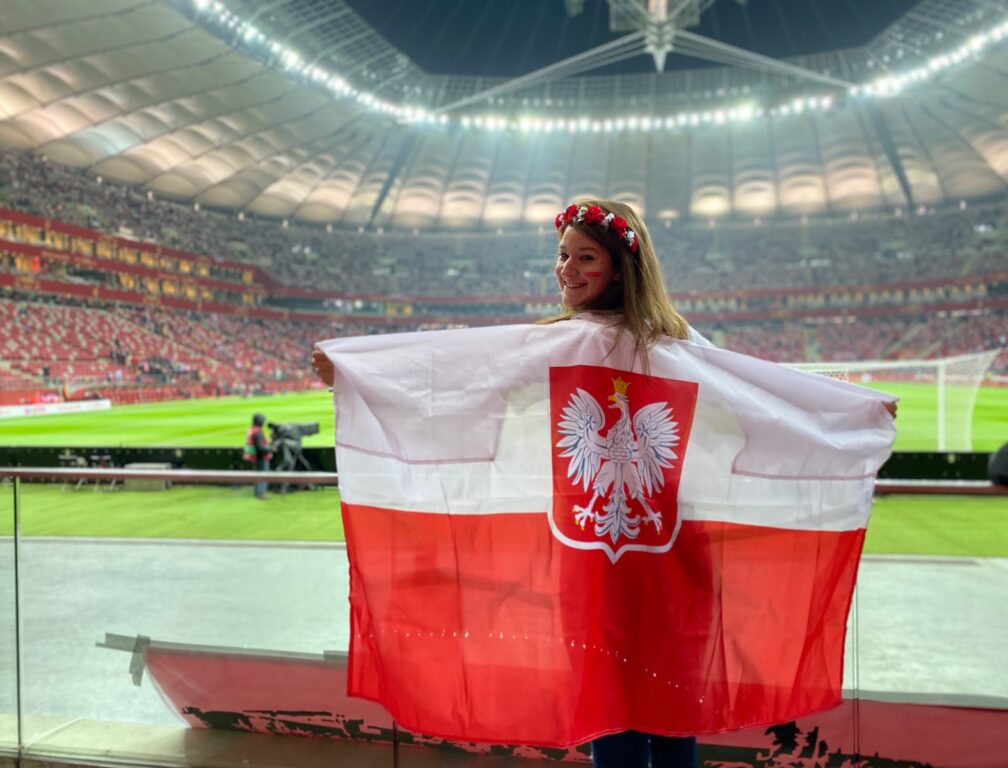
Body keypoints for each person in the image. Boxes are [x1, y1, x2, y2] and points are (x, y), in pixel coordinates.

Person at [311, 198, 897, 766]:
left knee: (672, 715)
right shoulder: (554, 343)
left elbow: (759, 402)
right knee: (609, 715)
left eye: (585, 257)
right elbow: (463, 379)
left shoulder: (681, 347)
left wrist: (854, 415)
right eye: (563, 256)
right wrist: (359, 371)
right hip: (593, 564)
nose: (568, 269)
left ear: (623, 265)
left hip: (672, 562)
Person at [243, 413, 273, 499]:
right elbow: (260, 447)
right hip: (261, 457)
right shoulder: (258, 432)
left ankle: (258, 492)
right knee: (263, 475)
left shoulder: (251, 429)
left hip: (253, 456)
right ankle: (260, 493)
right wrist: (271, 449)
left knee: (258, 475)